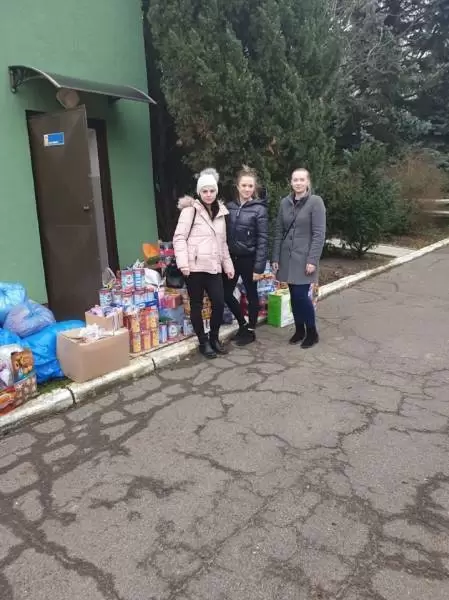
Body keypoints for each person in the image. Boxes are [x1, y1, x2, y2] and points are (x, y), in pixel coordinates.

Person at [173, 168, 234, 359]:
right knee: (197, 305)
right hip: (194, 268)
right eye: (205, 191)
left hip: (214, 267)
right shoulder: (190, 211)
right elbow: (179, 238)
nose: (208, 194)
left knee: (219, 302)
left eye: (212, 190)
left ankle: (214, 338)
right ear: (199, 192)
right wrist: (183, 264)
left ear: (216, 191)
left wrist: (228, 265)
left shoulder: (221, 213)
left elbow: (222, 242)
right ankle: (203, 342)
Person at [272, 168, 326, 349]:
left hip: (304, 260)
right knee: (293, 297)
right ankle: (299, 330)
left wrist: (312, 259)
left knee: (301, 296)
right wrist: (275, 257)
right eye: (295, 180)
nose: (298, 183)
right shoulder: (285, 203)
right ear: (291, 182)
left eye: (302, 180)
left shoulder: (315, 202)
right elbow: (278, 232)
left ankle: (312, 332)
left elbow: (319, 234)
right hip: (287, 259)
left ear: (308, 182)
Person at [224, 166, 269, 345]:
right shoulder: (229, 207)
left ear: (254, 188)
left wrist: (259, 268)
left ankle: (250, 331)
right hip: (232, 259)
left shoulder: (259, 210)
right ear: (237, 186)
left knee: (251, 295)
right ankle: (242, 324)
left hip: (249, 259)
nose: (247, 189)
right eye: (244, 185)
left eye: (250, 186)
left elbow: (263, 239)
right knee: (226, 293)